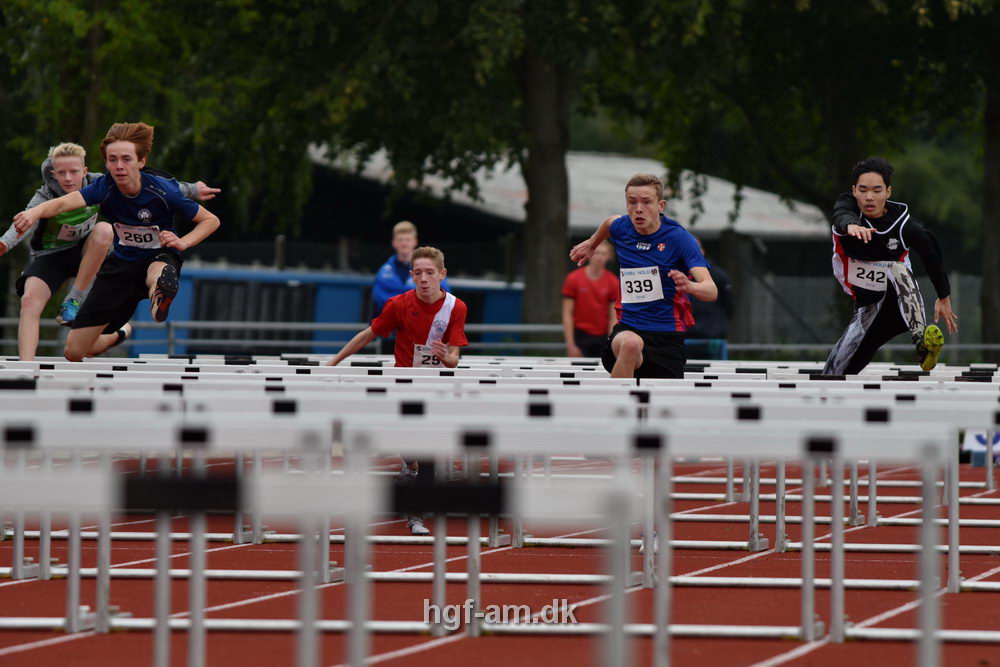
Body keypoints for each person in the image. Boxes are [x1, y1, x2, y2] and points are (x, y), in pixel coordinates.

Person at [12, 122, 221, 362]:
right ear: (106, 164)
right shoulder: (105, 187)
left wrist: (183, 242)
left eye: (126, 159)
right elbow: (63, 203)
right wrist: (34, 212)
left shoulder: (162, 190)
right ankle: (118, 334)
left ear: (141, 162)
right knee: (74, 352)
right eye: (112, 160)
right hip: (120, 266)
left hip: (158, 255)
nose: (119, 166)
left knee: (157, 269)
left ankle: (159, 294)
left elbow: (210, 220)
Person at [328, 246, 468, 535]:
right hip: (403, 386)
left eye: (430, 273)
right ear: (411, 276)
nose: (424, 279)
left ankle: (416, 514)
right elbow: (367, 335)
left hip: (436, 388)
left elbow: (455, 359)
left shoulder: (456, 307)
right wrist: (332, 363)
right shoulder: (398, 305)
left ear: (442, 274)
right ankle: (410, 467)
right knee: (408, 445)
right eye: (418, 273)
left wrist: (446, 357)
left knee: (430, 455)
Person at [569, 173, 717, 379]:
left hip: (667, 335)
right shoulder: (622, 227)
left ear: (660, 205)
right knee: (630, 345)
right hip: (628, 329)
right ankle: (615, 398)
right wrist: (592, 243)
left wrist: (691, 287)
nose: (638, 208)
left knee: (661, 395)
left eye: (646, 202)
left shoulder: (680, 239)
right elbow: (610, 222)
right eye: (632, 202)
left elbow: (711, 291)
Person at [823, 157, 957, 375]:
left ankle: (921, 340)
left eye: (877, 190)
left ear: (888, 192)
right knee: (833, 373)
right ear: (854, 190)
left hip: (900, 301)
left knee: (897, 267)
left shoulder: (904, 225)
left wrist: (943, 295)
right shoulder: (847, 207)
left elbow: (930, 254)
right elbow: (841, 213)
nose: (869, 197)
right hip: (868, 305)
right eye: (863, 190)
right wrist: (851, 225)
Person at [370, 221, 449, 317]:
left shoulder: (431, 268)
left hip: (424, 321)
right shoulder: (383, 273)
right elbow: (379, 302)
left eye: (408, 239)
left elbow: (444, 297)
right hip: (393, 323)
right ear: (394, 243)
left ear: (415, 241)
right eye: (400, 240)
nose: (404, 243)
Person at [561, 240, 619, 357]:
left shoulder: (613, 282)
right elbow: (567, 314)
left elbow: (613, 316)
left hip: (603, 335)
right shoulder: (573, 278)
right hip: (580, 334)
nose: (600, 257)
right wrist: (571, 345)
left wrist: (610, 341)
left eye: (604, 253)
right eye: (597, 253)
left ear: (609, 256)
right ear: (590, 254)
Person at [685, 237, 734, 359]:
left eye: (695, 250)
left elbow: (729, 307)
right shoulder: (674, 274)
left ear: (702, 251)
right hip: (683, 338)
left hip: (712, 339)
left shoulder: (719, 276)